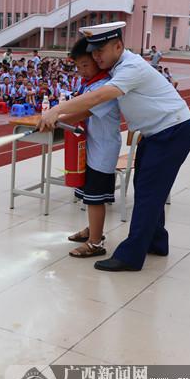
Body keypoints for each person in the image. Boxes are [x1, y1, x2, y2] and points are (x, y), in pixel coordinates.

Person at [38, 21, 190, 272]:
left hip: (171, 132)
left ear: (118, 46)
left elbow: (100, 96)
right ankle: (157, 241)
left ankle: (131, 256)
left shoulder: (129, 68)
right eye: (94, 52)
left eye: (101, 51)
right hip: (157, 132)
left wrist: (57, 109)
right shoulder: (117, 66)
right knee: (145, 187)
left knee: (147, 194)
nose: (96, 56)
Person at [62, 38, 122, 258]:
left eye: (85, 65)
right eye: (78, 67)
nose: (82, 71)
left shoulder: (105, 87)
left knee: (96, 197)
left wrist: (55, 117)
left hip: (103, 150)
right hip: (92, 147)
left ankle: (95, 243)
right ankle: (92, 230)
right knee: (89, 194)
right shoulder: (90, 84)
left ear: (98, 60)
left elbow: (84, 111)